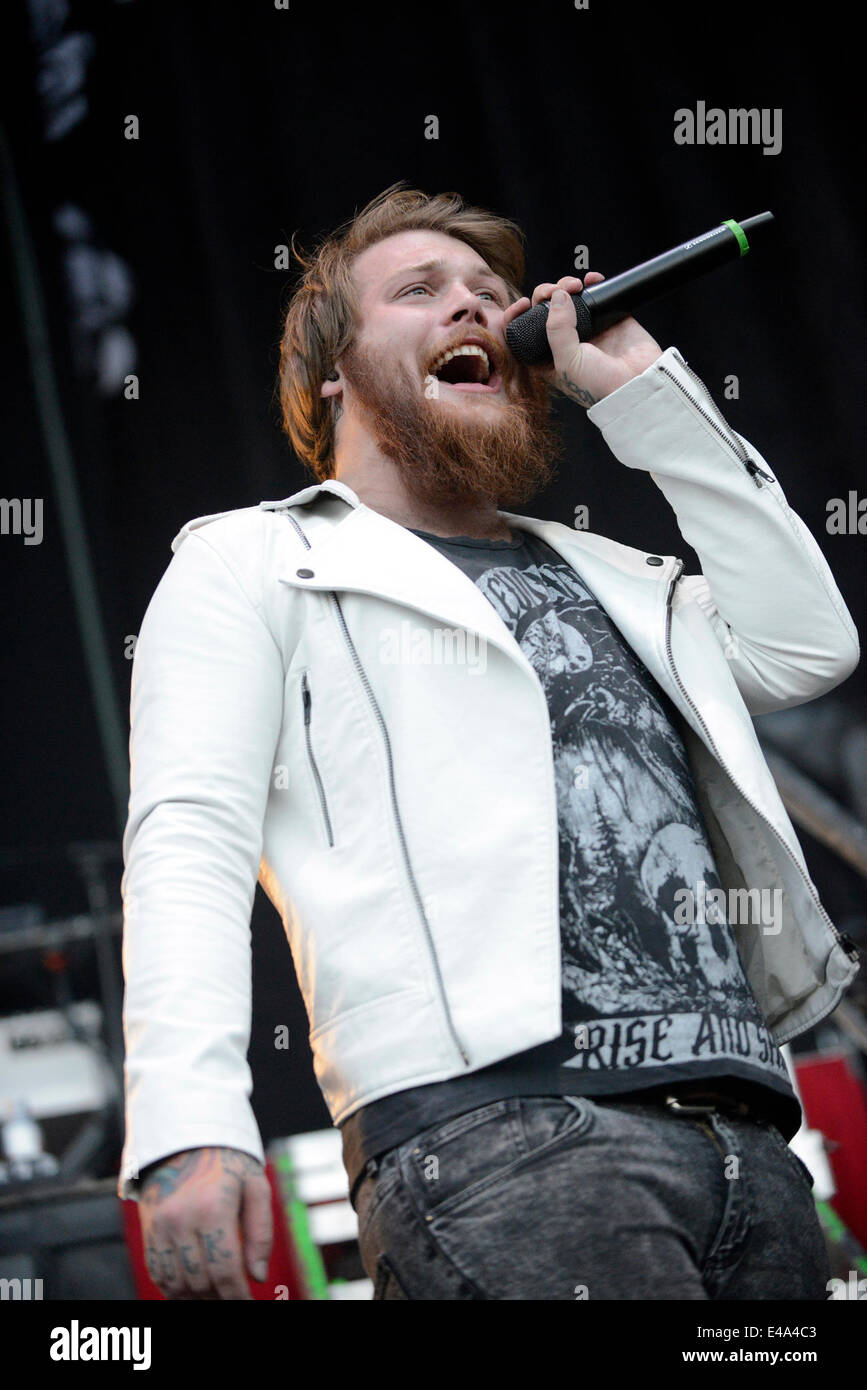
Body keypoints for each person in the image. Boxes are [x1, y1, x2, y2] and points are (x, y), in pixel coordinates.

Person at [119, 183, 860, 1300]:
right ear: (333, 372)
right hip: (499, 1138)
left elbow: (808, 644)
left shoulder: (617, 578)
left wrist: (647, 398)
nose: (473, 310)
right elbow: (188, 840)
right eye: (420, 292)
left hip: (748, 1137)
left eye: (493, 296)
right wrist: (189, 1118)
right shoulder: (251, 563)